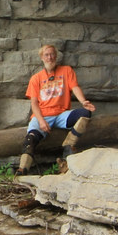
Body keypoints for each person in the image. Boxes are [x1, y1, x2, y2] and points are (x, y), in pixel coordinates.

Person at [18, 44, 96, 174]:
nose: (50, 57)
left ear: (56, 56)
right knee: (30, 138)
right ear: (42, 58)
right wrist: (41, 121)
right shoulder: (36, 78)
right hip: (43, 115)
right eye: (46, 55)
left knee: (84, 113)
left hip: (61, 115)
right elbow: (34, 103)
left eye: (52, 54)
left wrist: (83, 101)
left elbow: (75, 87)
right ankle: (23, 169)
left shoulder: (66, 71)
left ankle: (68, 146)